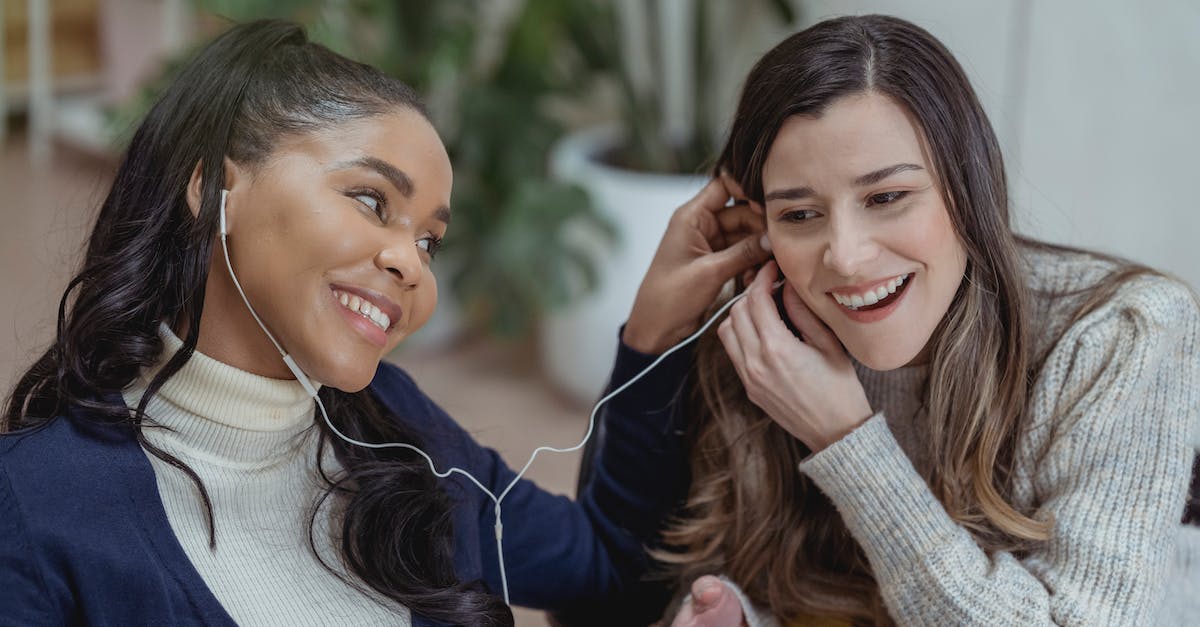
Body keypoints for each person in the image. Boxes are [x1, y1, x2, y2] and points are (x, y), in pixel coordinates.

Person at [0, 20, 768, 627]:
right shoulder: (38, 504)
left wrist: (652, 336)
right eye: (371, 201)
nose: (411, 264)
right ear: (214, 191)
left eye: (430, 239)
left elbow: (606, 570)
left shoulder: (401, 432)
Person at [598, 14, 1199, 626]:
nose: (847, 257)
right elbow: (606, 594)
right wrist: (742, 617)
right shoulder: (767, 342)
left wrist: (846, 441)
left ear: (969, 188)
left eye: (886, 198)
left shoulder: (1125, 335)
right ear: (760, 229)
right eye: (800, 215)